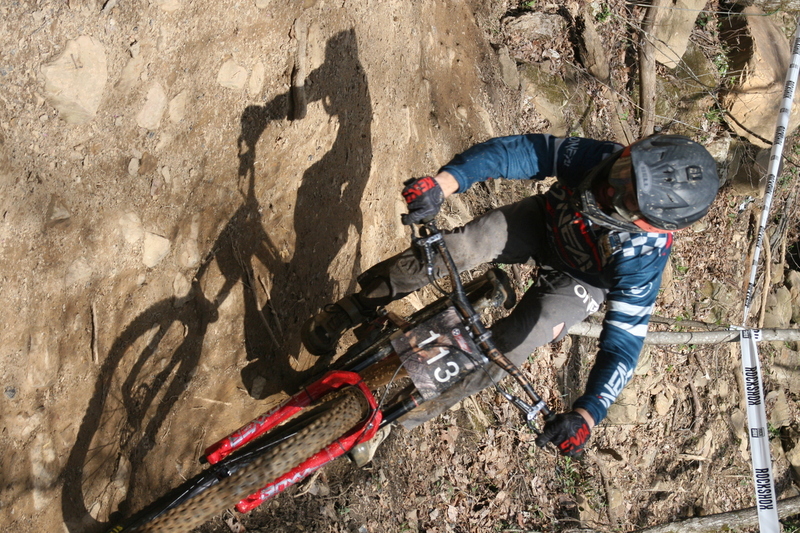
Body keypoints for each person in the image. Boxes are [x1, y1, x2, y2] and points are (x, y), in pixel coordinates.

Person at [301, 134, 719, 457]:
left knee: (511, 347)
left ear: (654, 226)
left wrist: (587, 414)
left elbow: (624, 345)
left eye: (628, 198)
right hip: (545, 221)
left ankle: (395, 413)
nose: (612, 187)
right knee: (460, 247)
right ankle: (352, 309)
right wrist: (444, 185)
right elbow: (520, 152)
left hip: (579, 281)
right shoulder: (601, 158)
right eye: (626, 169)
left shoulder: (642, 261)